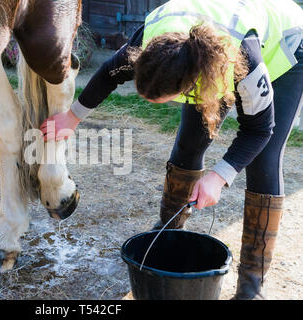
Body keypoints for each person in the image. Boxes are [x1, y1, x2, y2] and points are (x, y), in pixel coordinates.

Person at [40, 0, 303, 299]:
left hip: (287, 49)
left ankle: (251, 285)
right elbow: (109, 73)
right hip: (208, 51)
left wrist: (219, 175)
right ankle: (167, 232)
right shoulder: (150, 42)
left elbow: (259, 130)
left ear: (190, 84)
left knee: (264, 161)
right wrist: (72, 117)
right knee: (189, 143)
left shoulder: (241, 57)